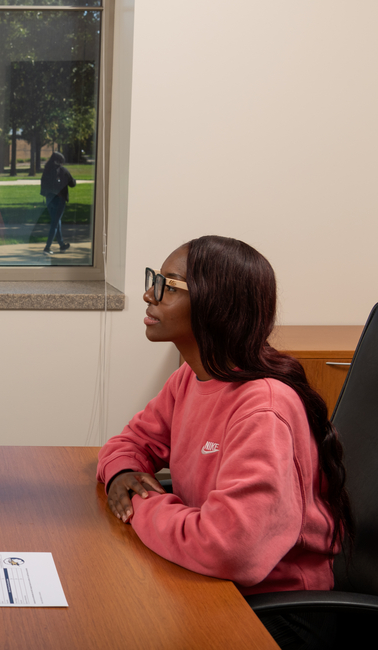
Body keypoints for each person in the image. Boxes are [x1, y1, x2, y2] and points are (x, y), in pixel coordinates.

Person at [96, 235, 353, 648]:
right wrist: (124, 473)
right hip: (215, 584)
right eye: (154, 279)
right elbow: (128, 443)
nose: (149, 293)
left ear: (216, 303)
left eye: (168, 285)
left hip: (279, 613)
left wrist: (139, 502)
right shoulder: (193, 378)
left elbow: (230, 549)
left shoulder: (263, 408)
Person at [39, 152, 76, 255]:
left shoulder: (47, 170)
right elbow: (72, 183)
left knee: (57, 221)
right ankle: (47, 247)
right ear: (60, 161)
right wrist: (74, 180)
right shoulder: (63, 171)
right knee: (55, 223)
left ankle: (62, 245)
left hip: (49, 200)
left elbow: (43, 183)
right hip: (59, 200)